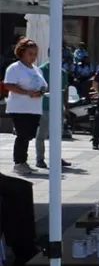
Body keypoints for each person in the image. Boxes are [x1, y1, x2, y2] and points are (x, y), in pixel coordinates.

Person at [4, 38, 48, 175]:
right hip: (20, 107)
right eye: (30, 53)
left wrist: (41, 91)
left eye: (35, 53)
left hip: (34, 108)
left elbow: (44, 85)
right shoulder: (15, 68)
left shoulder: (36, 70)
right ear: (22, 52)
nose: (33, 57)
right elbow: (8, 85)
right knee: (22, 135)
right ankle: (19, 163)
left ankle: (24, 162)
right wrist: (27, 92)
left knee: (29, 135)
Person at [36, 55, 73, 170]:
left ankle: (56, 158)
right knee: (41, 134)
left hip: (58, 108)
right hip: (44, 107)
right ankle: (40, 159)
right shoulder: (41, 70)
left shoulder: (63, 72)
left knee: (57, 135)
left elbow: (65, 90)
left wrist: (66, 107)